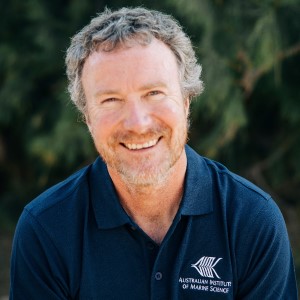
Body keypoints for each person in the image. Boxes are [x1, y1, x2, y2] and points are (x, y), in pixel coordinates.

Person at [10, 7, 298, 299]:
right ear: (87, 118)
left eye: (154, 93)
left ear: (186, 100)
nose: (138, 123)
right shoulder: (47, 229)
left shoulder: (252, 220)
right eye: (111, 99)